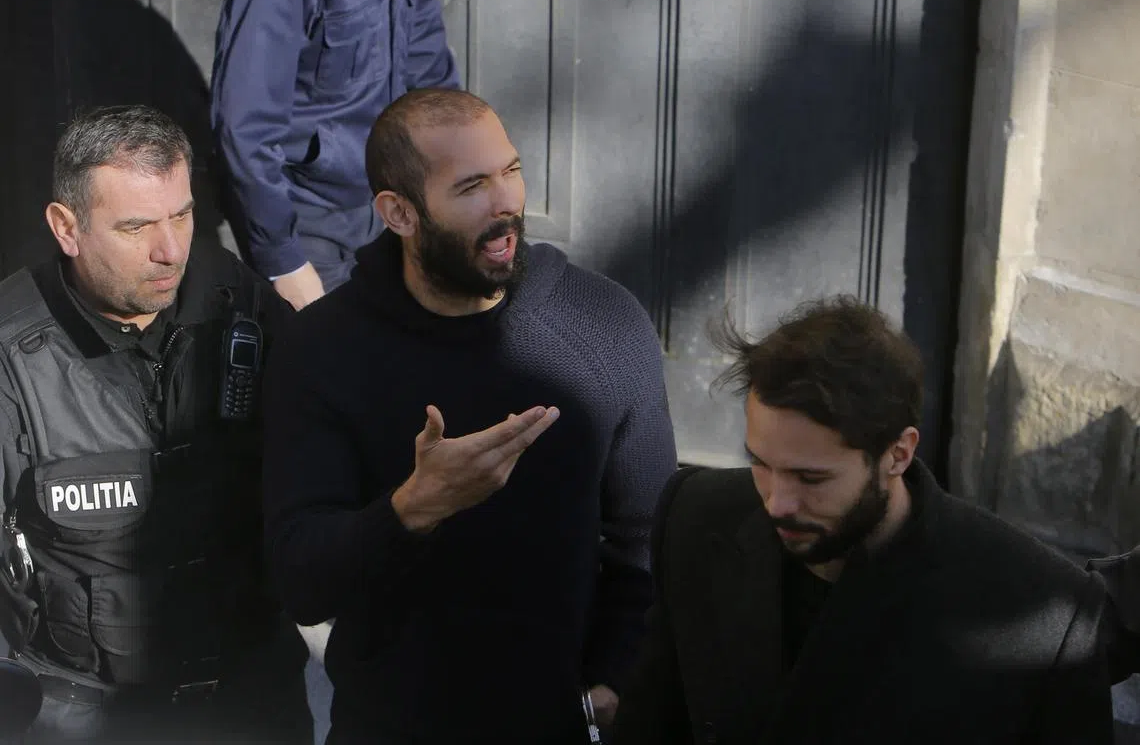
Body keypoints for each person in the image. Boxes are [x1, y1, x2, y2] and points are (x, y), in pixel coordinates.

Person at [261, 87, 678, 744]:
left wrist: (608, 689)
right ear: (399, 213)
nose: (505, 203)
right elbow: (302, 582)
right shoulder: (323, 350)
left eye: (510, 171)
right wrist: (413, 509)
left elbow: (651, 545)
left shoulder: (603, 325)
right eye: (472, 186)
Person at [611, 297, 1114, 745]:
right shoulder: (697, 519)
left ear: (897, 454)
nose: (777, 502)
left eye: (811, 478)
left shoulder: (1044, 615)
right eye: (761, 464)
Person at [0, 106, 306, 743]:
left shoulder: (241, 305)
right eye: (136, 226)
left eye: (183, 214)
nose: (170, 251)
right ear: (67, 226)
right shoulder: (11, 353)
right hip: (89, 712)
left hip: (254, 698)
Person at [210, 0, 460, 309]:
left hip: (392, 207)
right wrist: (284, 264)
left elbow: (432, 80)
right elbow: (244, 129)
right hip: (305, 220)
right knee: (323, 355)